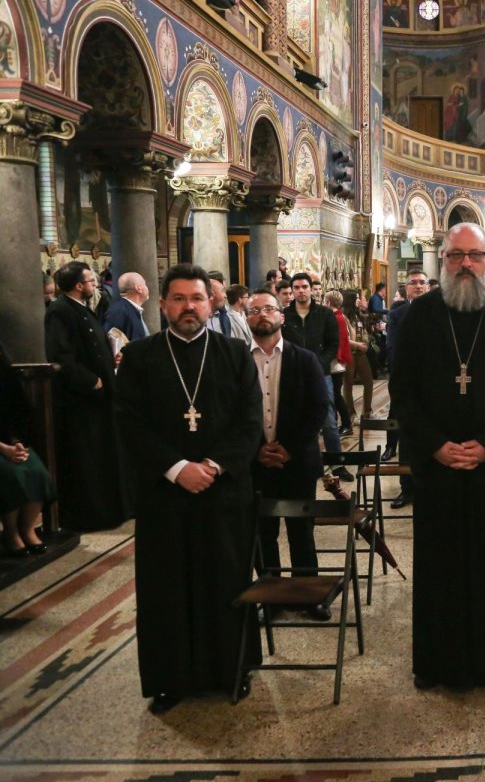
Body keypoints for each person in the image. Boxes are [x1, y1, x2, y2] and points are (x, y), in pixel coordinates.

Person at [395, 223, 485, 690]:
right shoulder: (419, 315)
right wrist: (436, 445)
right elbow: (403, 392)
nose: (465, 265)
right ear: (442, 259)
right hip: (438, 468)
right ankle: (439, 664)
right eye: (456, 256)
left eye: (474, 255)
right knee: (441, 570)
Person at [114, 263, 263, 714]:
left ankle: (232, 671)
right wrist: (178, 468)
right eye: (177, 299)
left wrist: (213, 466)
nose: (188, 308)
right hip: (165, 496)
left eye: (196, 299)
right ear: (162, 305)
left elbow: (250, 423)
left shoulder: (235, 354)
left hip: (224, 493)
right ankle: (169, 678)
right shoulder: (140, 358)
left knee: (227, 581)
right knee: (167, 588)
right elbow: (129, 425)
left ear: (210, 302)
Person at [245, 291, 330, 619]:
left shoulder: (304, 358)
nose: (262, 315)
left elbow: (317, 408)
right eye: (255, 310)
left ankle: (309, 594)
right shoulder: (237, 359)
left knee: (301, 531)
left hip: (297, 463)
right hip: (256, 465)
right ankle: (272, 596)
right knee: (262, 532)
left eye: (268, 308)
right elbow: (232, 410)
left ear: (281, 315)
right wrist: (256, 450)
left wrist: (288, 448)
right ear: (248, 318)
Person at [44, 261, 124, 532]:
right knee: (87, 461)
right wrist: (92, 380)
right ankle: (90, 515)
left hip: (99, 399)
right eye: (91, 281)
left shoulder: (81, 310)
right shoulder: (60, 311)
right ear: (78, 286)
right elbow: (60, 355)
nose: (95, 285)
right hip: (81, 401)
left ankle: (109, 511)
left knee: (103, 457)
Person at [282, 273, 348, 484]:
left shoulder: (324, 314)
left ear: (311, 289)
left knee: (328, 419)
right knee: (294, 419)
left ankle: (337, 464)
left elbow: (332, 343)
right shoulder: (285, 315)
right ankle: (301, 463)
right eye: (297, 287)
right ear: (292, 291)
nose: (301, 291)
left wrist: (318, 364)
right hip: (292, 374)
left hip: (321, 373)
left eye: (304, 287)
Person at [0, 340, 55, 557]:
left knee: (35, 470)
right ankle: (11, 533)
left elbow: (17, 409)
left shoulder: (4, 370)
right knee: (11, 475)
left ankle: (27, 528)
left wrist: (17, 442)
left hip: (10, 442)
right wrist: (3, 449)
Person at [382, 268, 430, 507]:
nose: (419, 286)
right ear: (406, 288)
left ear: (428, 287)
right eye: (414, 283)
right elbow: (392, 349)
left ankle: (430, 488)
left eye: (422, 282)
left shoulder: (440, 312)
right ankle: (406, 488)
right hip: (408, 385)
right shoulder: (398, 314)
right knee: (407, 438)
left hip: (434, 387)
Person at [343, 289, 376, 423]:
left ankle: (367, 412)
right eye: (356, 298)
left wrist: (366, 342)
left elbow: (363, 331)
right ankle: (351, 414)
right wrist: (357, 345)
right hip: (349, 353)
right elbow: (344, 338)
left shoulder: (358, 315)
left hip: (361, 353)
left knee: (368, 382)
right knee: (348, 384)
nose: (358, 300)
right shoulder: (344, 317)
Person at [327, 290, 354, 435]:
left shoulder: (336, 318)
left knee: (336, 395)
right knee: (333, 394)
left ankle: (346, 424)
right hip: (336, 361)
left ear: (328, 302)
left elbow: (339, 340)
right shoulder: (338, 316)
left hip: (335, 362)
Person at [102, 271, 151, 345]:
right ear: (138, 288)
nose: (147, 288)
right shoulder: (119, 311)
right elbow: (113, 345)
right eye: (145, 284)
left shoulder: (131, 309)